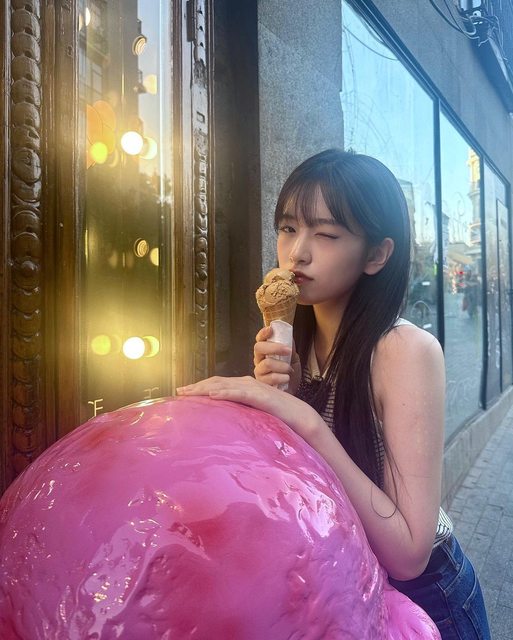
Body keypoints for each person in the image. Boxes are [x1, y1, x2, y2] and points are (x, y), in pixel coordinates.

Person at [177, 149, 490, 639]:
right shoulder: (292, 340)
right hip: (342, 586)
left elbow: (410, 553)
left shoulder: (404, 350)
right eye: (288, 228)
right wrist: (280, 404)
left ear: (376, 255)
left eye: (325, 234)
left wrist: (303, 420)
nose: (297, 253)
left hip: (427, 603)